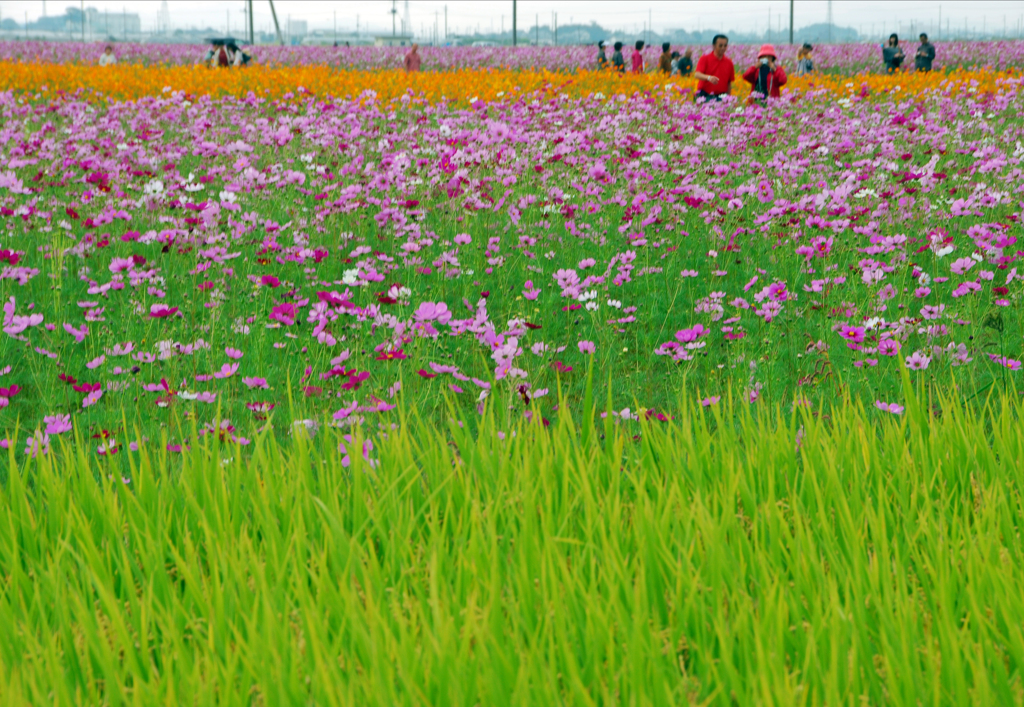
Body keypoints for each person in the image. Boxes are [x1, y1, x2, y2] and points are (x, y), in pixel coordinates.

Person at [694, 35, 734, 101]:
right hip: (705, 95)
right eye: (720, 45)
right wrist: (708, 78)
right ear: (714, 46)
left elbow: (729, 83)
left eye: (725, 45)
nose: (723, 48)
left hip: (721, 96)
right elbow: (697, 74)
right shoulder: (705, 59)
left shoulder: (729, 62)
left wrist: (728, 98)